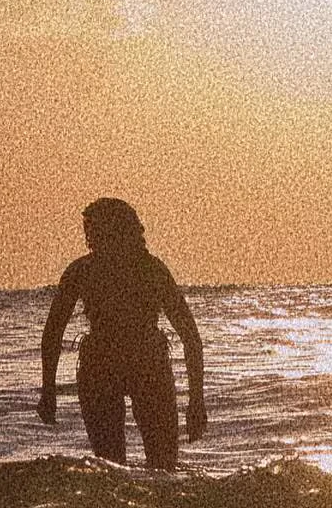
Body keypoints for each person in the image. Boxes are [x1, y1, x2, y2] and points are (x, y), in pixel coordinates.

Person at [37, 199, 206, 470]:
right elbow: (52, 334)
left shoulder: (143, 270)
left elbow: (191, 337)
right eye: (89, 231)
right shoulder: (88, 271)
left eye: (93, 230)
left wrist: (197, 402)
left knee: (135, 466)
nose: (89, 237)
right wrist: (48, 391)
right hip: (118, 364)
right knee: (122, 466)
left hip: (135, 363)